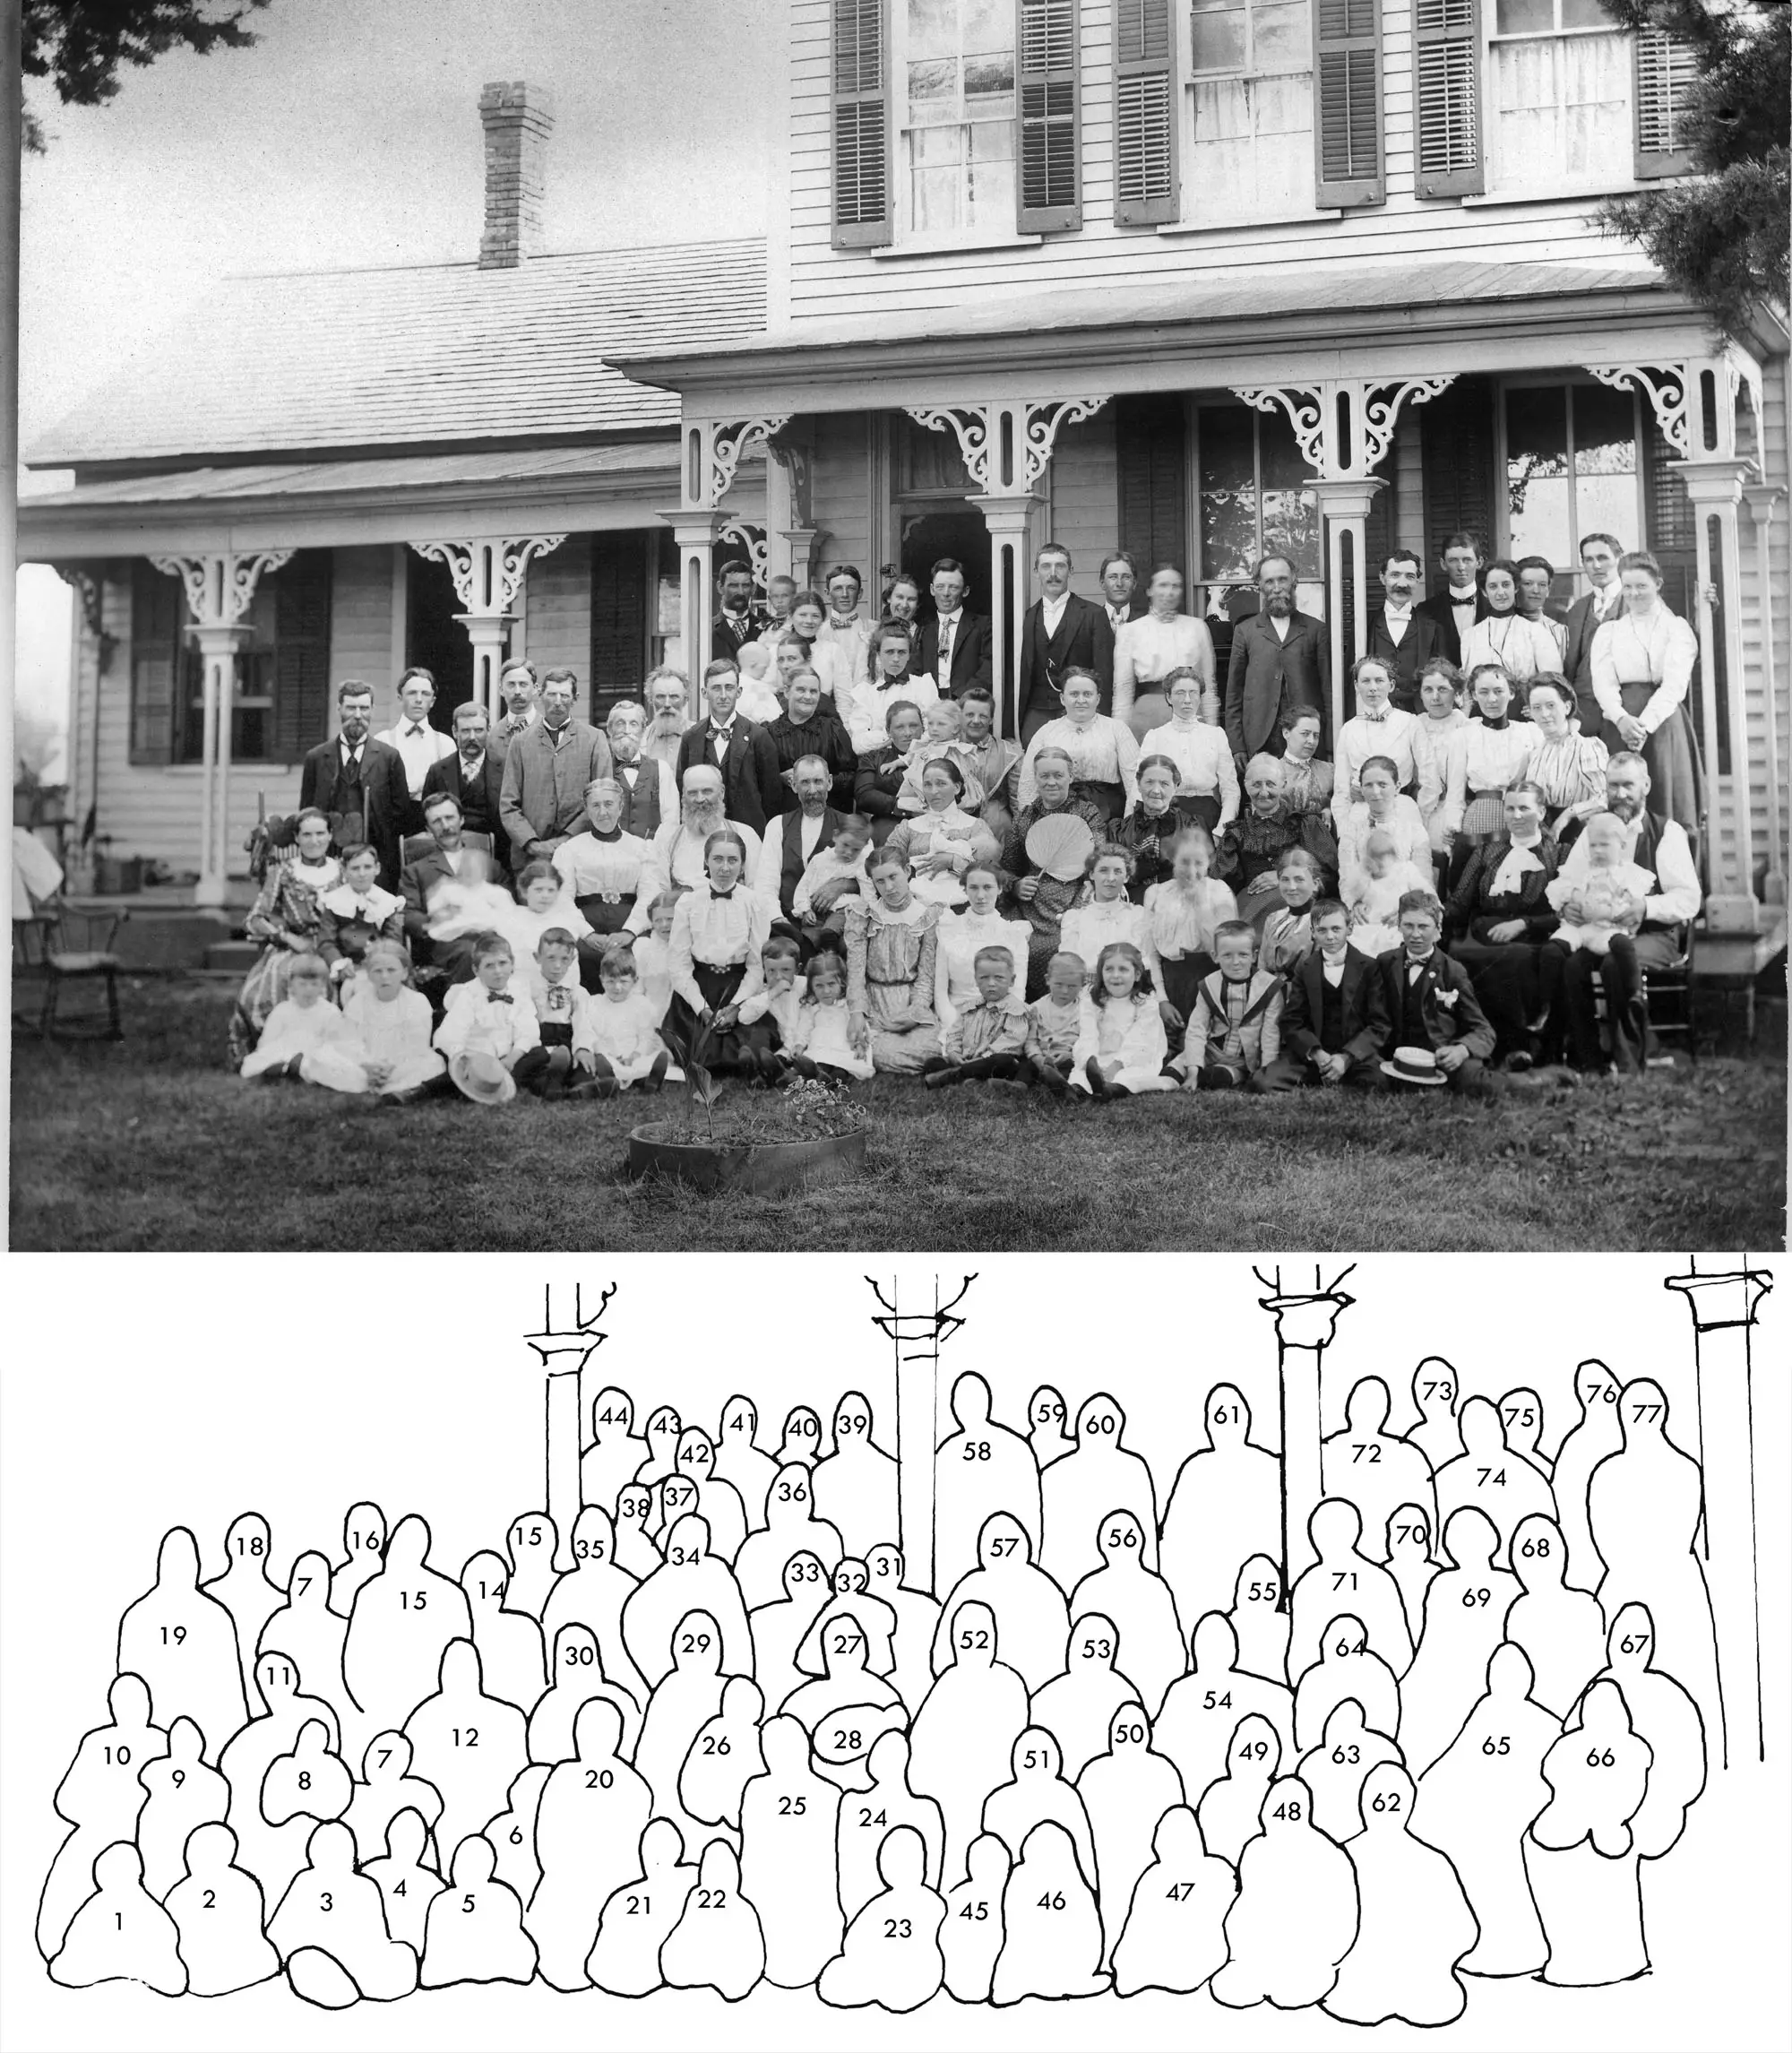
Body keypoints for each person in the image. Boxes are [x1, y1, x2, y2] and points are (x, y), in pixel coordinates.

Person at [1552, 753, 1702, 1073]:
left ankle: (1628, 1059)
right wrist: (1569, 904)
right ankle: (1588, 1058)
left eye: (1628, 785)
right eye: (1614, 785)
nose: (1620, 794)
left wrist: (1646, 906)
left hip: (1654, 934)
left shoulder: (1666, 832)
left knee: (1614, 963)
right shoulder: (1595, 829)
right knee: (1573, 966)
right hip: (1601, 931)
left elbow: (1689, 899)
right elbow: (1568, 879)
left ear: (1645, 785)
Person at [1446, 781, 1564, 1069]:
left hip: (1535, 935)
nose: (1516, 815)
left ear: (1542, 811)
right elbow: (1460, 902)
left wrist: (1524, 923)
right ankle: (1484, 1042)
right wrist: (1432, 911)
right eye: (1510, 808)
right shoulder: (1488, 851)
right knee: (1465, 958)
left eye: (1524, 808)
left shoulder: (1560, 853)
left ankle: (1517, 1045)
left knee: (1515, 959)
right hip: (1487, 933)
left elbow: (1566, 911)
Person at [1589, 549, 1704, 833]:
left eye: (1642, 586)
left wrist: (1644, 726)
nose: (1634, 593)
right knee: (1622, 801)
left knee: (1667, 802)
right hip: (1620, 723)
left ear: (1658, 585)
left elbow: (1675, 685)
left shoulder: (1676, 628)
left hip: (1663, 724)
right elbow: (1603, 683)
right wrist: (1622, 719)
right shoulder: (1609, 632)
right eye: (1627, 586)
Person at [228, 807, 340, 1063]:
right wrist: (287, 938)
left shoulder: (342, 871)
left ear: (330, 836)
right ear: (297, 839)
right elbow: (254, 919)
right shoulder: (283, 871)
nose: (314, 841)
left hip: (333, 945)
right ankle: (281, 1052)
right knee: (278, 976)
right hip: (292, 945)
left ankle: (327, 1050)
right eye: (307, 835)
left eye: (320, 834)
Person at [998, 747, 1107, 997]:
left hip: (1074, 899)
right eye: (1044, 776)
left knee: (1060, 946)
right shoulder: (1025, 817)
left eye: (1058, 775)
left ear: (1071, 776)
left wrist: (1081, 902)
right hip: (1031, 904)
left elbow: (1097, 863)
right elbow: (1009, 868)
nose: (1051, 782)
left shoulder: (1087, 814)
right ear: (1035, 778)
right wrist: (1016, 885)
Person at [665, 828, 774, 1070]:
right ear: (706, 860)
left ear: (743, 864)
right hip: (700, 987)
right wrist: (700, 1007)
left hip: (738, 986)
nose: (725, 868)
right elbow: (679, 963)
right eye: (718, 859)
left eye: (733, 860)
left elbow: (757, 964)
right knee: (699, 1054)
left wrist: (737, 1006)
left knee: (750, 1047)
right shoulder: (689, 902)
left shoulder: (754, 902)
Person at [1254, 900, 1390, 1091]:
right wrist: (1316, 1052)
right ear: (1313, 932)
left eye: (1336, 929)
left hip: (1354, 1056)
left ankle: (1338, 1072)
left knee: (1380, 1082)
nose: (1330, 937)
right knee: (1264, 1082)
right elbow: (1292, 1020)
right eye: (1322, 930)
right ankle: (1324, 1072)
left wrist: (1347, 1057)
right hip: (1315, 1054)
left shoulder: (1368, 967)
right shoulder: (1306, 968)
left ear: (1349, 928)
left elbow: (1379, 1024)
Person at [1375, 891, 1496, 1093]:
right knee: (1374, 1079)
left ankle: (1533, 1080)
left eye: (1423, 926)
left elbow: (1483, 1030)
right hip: (1397, 1057)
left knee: (1475, 1082)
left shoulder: (1453, 971)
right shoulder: (1385, 962)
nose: (1415, 934)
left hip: (1437, 1057)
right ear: (1398, 925)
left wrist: (1461, 1050)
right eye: (1408, 926)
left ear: (1438, 928)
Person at [298, 679, 413, 888]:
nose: (358, 715)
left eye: (364, 708)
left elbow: (401, 815)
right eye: (351, 708)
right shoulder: (316, 758)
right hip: (329, 861)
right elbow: (306, 813)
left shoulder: (389, 758)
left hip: (376, 863)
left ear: (373, 710)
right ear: (339, 708)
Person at [499, 668, 613, 867]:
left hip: (581, 853)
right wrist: (531, 844)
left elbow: (602, 797)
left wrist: (565, 841)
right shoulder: (520, 742)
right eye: (552, 694)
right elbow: (508, 804)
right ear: (541, 695)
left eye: (564, 695)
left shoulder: (594, 739)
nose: (558, 701)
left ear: (575, 699)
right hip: (530, 858)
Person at [844, 847, 943, 1074]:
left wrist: (915, 1012)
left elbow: (926, 975)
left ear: (907, 871)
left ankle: (927, 1060)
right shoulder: (864, 916)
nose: (888, 888)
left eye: (893, 877)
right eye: (880, 881)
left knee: (936, 1043)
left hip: (910, 1001)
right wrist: (857, 1012)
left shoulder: (926, 916)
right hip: (875, 1002)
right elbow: (856, 972)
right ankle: (887, 1056)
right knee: (870, 1047)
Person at [1441, 665, 1538, 890]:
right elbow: (1455, 792)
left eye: (1499, 691)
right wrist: (1453, 828)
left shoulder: (1529, 733)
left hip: (1517, 818)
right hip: (1478, 820)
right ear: (1474, 695)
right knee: (1470, 886)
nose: (1491, 699)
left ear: (1512, 693)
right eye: (1483, 692)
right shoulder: (1464, 735)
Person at [1224, 554, 1330, 763]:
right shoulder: (1245, 631)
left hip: (1307, 738)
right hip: (1260, 738)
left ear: (1294, 581)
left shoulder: (1316, 630)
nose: (1277, 586)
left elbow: (1328, 690)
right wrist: (1236, 745)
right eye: (1269, 581)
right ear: (1259, 586)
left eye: (1282, 579)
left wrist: (1331, 741)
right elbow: (1234, 693)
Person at [1216, 756, 1339, 926]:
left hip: (1300, 908)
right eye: (1256, 784)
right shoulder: (1236, 834)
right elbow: (1223, 886)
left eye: (1271, 784)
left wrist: (1284, 877)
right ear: (1245, 785)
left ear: (1284, 785)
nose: (1264, 792)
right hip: (1251, 908)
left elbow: (1329, 875)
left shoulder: (1306, 825)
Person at [1142, 824, 1237, 1040]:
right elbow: (1151, 953)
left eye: (1199, 863)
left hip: (1210, 981)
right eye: (1184, 862)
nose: (1192, 871)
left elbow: (1224, 951)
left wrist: (1200, 904)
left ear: (1209, 862)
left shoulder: (1219, 891)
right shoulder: (1156, 894)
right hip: (1170, 983)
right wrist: (1161, 1000)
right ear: (1173, 859)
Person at [1016, 666, 1141, 823]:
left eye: (1087, 694)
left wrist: (1130, 824)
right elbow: (1028, 783)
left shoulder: (1117, 729)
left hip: (1109, 813)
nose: (1081, 700)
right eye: (1074, 694)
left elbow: (1134, 779)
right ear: (1062, 698)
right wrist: (1030, 825)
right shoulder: (1047, 732)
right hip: (1058, 811)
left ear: (1098, 698)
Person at [636, 763, 767, 912]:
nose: (699, 799)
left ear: (722, 792)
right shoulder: (667, 838)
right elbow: (656, 890)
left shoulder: (745, 834)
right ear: (683, 795)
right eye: (692, 793)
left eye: (707, 791)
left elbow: (758, 890)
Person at [675, 659, 783, 835]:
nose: (723, 695)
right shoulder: (691, 738)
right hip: (703, 834)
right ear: (704, 692)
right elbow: (683, 791)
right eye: (716, 688)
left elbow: (772, 797)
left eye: (729, 687)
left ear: (739, 692)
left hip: (749, 834)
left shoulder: (759, 736)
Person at [1018, 542, 1115, 740]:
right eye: (1046, 566)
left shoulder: (1094, 614)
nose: (1053, 573)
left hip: (1080, 713)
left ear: (1070, 571)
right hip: (1036, 713)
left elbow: (1104, 672)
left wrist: (1102, 723)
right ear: (1036, 572)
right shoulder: (1025, 617)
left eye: (1060, 566)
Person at [434, 931, 546, 1101]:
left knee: (539, 1054)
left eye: (502, 963)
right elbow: (453, 1032)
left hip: (506, 1055)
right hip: (475, 1055)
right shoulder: (468, 994)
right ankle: (439, 1086)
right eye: (489, 966)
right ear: (476, 970)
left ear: (512, 964)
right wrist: (465, 1061)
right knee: (448, 1070)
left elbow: (528, 1030)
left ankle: (501, 1080)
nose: (498, 971)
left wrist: (512, 1058)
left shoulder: (520, 990)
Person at [400, 791, 498, 980]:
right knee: (472, 952)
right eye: (437, 821)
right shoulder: (416, 870)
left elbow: (505, 897)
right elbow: (407, 914)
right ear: (428, 828)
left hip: (488, 934)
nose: (445, 826)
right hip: (447, 942)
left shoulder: (485, 862)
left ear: (461, 820)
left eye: (449, 818)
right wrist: (435, 921)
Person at [1174, 919, 1282, 1091]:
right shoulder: (1210, 984)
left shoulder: (1269, 987)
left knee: (1217, 1078)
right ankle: (1183, 1076)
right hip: (1212, 1051)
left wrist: (1266, 1072)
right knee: (1175, 1069)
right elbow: (1197, 1028)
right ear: (1215, 956)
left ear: (1254, 955)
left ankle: (1212, 1076)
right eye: (1227, 955)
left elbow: (1271, 1034)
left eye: (1243, 955)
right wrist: (1192, 1071)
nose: (1235, 962)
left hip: (1243, 1059)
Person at [1112, 564, 1216, 741]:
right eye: (1163, 585)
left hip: (1189, 711)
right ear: (1150, 590)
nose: (1169, 592)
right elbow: (1123, 691)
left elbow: (1209, 687)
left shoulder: (1197, 627)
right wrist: (1119, 739)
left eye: (1176, 586)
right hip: (1147, 717)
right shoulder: (1130, 631)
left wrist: (1213, 732)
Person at [339, 940, 447, 1101]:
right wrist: (367, 1065)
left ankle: (388, 1086)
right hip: (366, 1064)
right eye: (377, 971)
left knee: (433, 1064)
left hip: (402, 1063)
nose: (384, 977)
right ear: (368, 974)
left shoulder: (417, 1001)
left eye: (391, 970)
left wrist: (390, 1068)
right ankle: (375, 1081)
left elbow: (416, 1046)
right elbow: (350, 1041)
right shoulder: (358, 1002)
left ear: (404, 973)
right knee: (330, 1058)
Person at [885, 759, 998, 910]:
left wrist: (954, 862)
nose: (933, 791)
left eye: (941, 783)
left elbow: (991, 876)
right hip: (915, 905)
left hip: (964, 907)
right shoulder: (908, 827)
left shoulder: (975, 826)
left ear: (957, 787)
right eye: (927, 784)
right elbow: (887, 867)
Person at [552, 778, 653, 942]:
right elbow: (562, 898)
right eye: (596, 805)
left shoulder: (642, 848)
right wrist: (587, 934)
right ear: (587, 810)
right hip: (585, 931)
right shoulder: (569, 850)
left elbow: (650, 894)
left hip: (630, 929)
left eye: (608, 804)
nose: (602, 812)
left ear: (620, 807)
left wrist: (630, 932)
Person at [1069, 941, 1175, 1097]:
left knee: (1126, 1077)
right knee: (1080, 1075)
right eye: (1109, 969)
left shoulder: (1146, 1003)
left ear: (1137, 974)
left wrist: (1119, 1063)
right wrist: (1091, 1061)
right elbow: (1088, 1035)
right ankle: (1075, 1089)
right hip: (1099, 1057)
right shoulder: (1092, 1000)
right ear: (1101, 973)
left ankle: (1110, 1089)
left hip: (1134, 1058)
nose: (1115, 975)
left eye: (1123, 969)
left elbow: (1141, 1040)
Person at [1137, 667, 1238, 830]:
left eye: (1193, 693)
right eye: (1180, 693)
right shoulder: (1155, 737)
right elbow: (1141, 787)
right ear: (1169, 697)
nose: (1187, 699)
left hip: (1208, 817)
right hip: (1165, 817)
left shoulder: (1216, 735)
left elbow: (1230, 789)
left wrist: (1221, 830)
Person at [238, 952, 361, 1085]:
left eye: (314, 984)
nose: (308, 990)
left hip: (316, 1053)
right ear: (291, 986)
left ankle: (298, 1072)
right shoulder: (283, 1010)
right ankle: (284, 1069)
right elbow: (268, 1040)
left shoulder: (329, 1011)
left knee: (330, 1063)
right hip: (285, 1051)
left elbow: (336, 1040)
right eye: (302, 984)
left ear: (322, 987)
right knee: (257, 1062)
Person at [935, 863, 1030, 1026]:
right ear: (965, 890)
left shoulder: (1015, 934)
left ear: (1000, 889)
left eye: (987, 887)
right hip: (956, 1019)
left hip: (1000, 1021)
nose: (980, 895)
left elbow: (1017, 993)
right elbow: (941, 992)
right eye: (973, 888)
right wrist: (954, 1025)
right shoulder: (949, 929)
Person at [576, 943, 676, 1098]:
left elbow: (646, 1035)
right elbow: (589, 1034)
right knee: (603, 1060)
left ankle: (650, 1081)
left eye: (623, 982)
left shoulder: (641, 1004)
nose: (617, 988)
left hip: (634, 1055)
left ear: (635, 980)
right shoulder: (592, 1003)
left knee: (646, 1061)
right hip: (609, 1054)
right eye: (610, 981)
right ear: (601, 979)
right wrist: (606, 1052)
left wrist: (635, 1054)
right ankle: (609, 1076)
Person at [1545, 814, 1653, 957]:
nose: (1598, 850)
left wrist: (1605, 912)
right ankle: (1554, 963)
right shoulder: (1584, 871)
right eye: (1593, 845)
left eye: (1604, 845)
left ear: (1622, 846)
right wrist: (1578, 901)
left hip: (1608, 927)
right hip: (1581, 926)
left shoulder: (1628, 875)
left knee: (1615, 944)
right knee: (1556, 945)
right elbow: (1573, 890)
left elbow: (1628, 905)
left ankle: (1620, 954)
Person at [925, 945, 1030, 1091]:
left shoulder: (1016, 1010)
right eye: (984, 978)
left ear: (1012, 980)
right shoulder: (969, 1007)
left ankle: (956, 1077)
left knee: (1003, 1061)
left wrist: (982, 1059)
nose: (991, 983)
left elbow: (1012, 1042)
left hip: (992, 1061)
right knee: (932, 1063)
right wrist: (954, 1053)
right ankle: (970, 1080)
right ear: (976, 980)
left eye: (999, 978)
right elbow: (955, 1033)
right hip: (966, 1059)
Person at [1521, 675, 1608, 842]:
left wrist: (1567, 816)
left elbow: (1605, 798)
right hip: (1544, 840)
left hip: (1580, 836)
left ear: (1567, 707)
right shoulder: (1536, 754)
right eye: (1537, 708)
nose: (1544, 714)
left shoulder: (1586, 748)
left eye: (1551, 706)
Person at [1332, 656, 1418, 823]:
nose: (1373, 688)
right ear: (1357, 686)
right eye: (1366, 681)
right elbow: (1341, 788)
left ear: (1391, 685)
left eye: (1379, 681)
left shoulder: (1410, 723)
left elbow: (1427, 780)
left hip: (1401, 813)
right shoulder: (1349, 729)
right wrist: (1344, 829)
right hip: (1361, 816)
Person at [771, 755, 850, 931]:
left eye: (818, 781)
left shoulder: (849, 825)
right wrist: (777, 919)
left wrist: (844, 885)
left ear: (829, 782)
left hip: (835, 924)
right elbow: (767, 882)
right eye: (805, 782)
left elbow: (869, 875)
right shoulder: (778, 825)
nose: (812, 790)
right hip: (787, 921)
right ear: (793, 785)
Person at [316, 841, 405, 995]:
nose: (362, 874)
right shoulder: (332, 901)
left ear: (377, 868)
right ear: (344, 871)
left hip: (379, 964)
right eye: (355, 868)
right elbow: (326, 941)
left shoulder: (390, 902)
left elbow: (394, 938)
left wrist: (379, 963)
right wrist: (339, 963)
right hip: (345, 964)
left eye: (367, 867)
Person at [421, 700, 507, 857]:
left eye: (479, 730)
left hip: (496, 856)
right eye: (466, 731)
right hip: (448, 853)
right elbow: (427, 818)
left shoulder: (506, 768)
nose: (472, 737)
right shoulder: (438, 771)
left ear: (488, 730)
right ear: (455, 731)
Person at [1561, 531, 1626, 731]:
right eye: (1589, 559)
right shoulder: (1577, 610)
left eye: (1603, 558)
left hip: (1625, 711)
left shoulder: (1637, 601)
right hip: (1584, 714)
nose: (1596, 566)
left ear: (1619, 559)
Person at [766, 669, 857, 814]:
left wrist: (822, 780)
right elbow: (761, 780)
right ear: (787, 691)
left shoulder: (833, 729)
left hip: (830, 815)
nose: (808, 697)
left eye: (813, 691)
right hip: (786, 817)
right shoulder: (769, 733)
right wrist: (780, 778)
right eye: (801, 690)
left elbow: (852, 776)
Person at [779, 947, 875, 1082]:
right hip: (821, 1048)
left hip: (843, 1048)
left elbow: (860, 1027)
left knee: (841, 1069)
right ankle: (813, 1076)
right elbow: (804, 1028)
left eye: (831, 984)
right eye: (819, 986)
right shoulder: (812, 1007)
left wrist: (860, 1044)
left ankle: (832, 1079)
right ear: (811, 986)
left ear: (841, 983)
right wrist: (799, 1044)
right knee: (819, 1063)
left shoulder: (848, 1006)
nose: (826, 991)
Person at [1365, 550, 1443, 711]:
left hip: (1420, 719)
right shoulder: (1364, 625)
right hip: (1374, 716)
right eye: (1395, 575)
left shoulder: (1433, 628)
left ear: (1418, 581)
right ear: (1382, 578)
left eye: (1410, 576)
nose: (1402, 584)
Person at [525, 924, 598, 1099]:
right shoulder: (529, 988)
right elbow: (525, 1021)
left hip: (567, 1040)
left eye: (564, 959)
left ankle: (582, 1087)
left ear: (572, 960)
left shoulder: (577, 991)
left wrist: (582, 1048)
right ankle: (552, 1081)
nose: (557, 966)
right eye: (551, 958)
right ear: (537, 957)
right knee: (538, 1068)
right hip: (541, 1040)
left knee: (582, 1068)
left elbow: (583, 1023)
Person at [1460, 560, 1561, 685]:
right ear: (1484, 592)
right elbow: (1468, 685)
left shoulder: (1536, 632)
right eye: (1493, 586)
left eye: (1506, 585)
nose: (1501, 592)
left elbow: (1552, 683)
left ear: (1516, 588)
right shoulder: (1471, 636)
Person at [1115, 754, 1200, 898]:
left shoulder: (1190, 826)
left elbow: (1200, 874)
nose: (1156, 790)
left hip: (1179, 901)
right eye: (1149, 782)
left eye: (1164, 784)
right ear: (1138, 783)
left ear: (1176, 787)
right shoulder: (1119, 830)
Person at [1060, 843, 1147, 978]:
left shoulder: (1137, 916)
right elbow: (1068, 965)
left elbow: (1144, 962)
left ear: (1127, 877)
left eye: (1118, 871)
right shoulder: (1075, 919)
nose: (1110, 878)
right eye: (1103, 870)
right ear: (1092, 874)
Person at [1412, 660, 1470, 860]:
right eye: (1428, 689)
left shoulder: (1466, 727)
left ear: (1457, 693)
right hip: (1418, 808)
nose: (1435, 697)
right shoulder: (1413, 725)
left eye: (1443, 689)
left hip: (1451, 807)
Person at [851, 623, 937, 755]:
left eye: (902, 652)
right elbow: (858, 744)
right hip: (879, 762)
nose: (896, 659)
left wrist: (879, 734)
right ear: (879, 654)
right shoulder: (867, 693)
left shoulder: (924, 686)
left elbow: (934, 732)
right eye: (889, 652)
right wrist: (894, 736)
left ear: (909, 655)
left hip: (919, 759)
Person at [1347, 827, 1434, 956]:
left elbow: (1427, 896)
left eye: (1383, 856)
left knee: (1395, 943)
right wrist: (1363, 873)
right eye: (1373, 856)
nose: (1377, 862)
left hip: (1396, 924)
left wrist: (1407, 911)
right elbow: (1350, 894)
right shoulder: (1363, 874)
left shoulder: (1406, 870)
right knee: (1356, 942)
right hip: (1368, 924)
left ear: (1394, 856)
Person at [915, 557, 993, 694]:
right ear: (932, 590)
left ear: (965, 591)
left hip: (967, 703)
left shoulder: (983, 626)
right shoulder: (924, 629)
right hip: (930, 705)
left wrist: (961, 699)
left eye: (953, 587)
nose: (946, 593)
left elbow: (988, 670)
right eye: (940, 587)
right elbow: (915, 670)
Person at [377, 667, 456, 800]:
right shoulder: (382, 741)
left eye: (425, 694)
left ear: (432, 701)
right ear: (399, 698)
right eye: (412, 693)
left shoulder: (445, 744)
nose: (418, 699)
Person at [1415, 531, 1489, 671]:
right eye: (1453, 560)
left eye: (1467, 560)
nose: (1461, 567)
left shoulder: (1495, 609)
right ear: (1443, 564)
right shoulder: (1426, 610)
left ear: (1479, 562)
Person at [604, 700, 678, 840]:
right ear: (609, 729)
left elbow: (671, 821)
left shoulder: (661, 770)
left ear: (643, 730)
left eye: (633, 724)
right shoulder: (601, 769)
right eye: (620, 723)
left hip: (652, 855)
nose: (626, 730)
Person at [855, 700, 925, 843]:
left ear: (923, 728)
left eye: (914, 726)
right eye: (900, 727)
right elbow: (864, 795)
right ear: (888, 731)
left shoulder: (935, 754)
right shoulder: (873, 758)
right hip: (887, 823)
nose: (908, 733)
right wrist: (902, 805)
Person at [957, 686, 1021, 837]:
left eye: (983, 716)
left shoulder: (1009, 753)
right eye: (970, 715)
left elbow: (1017, 803)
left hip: (996, 826)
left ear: (992, 719)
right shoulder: (945, 747)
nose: (976, 721)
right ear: (960, 716)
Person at [1022, 950, 1085, 1091]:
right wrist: (1038, 1058)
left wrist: (1072, 1056)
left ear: (1082, 984)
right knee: (1027, 1066)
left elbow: (1087, 1041)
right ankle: (1020, 1085)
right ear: (1047, 979)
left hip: (1069, 1057)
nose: (1064, 991)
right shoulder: (1036, 1008)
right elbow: (1030, 1040)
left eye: (1072, 986)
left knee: (1078, 1067)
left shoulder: (1085, 1010)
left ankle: (1061, 1085)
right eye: (1059, 984)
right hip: (1042, 1057)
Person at [1259, 845, 1324, 971]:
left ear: (1315, 884)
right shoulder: (1272, 919)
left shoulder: (1322, 922)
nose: (1291, 887)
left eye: (1299, 880)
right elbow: (1262, 968)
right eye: (1285, 880)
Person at [1276, 705, 1335, 819]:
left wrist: (1329, 809)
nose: (1311, 741)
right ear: (1286, 733)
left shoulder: (1330, 770)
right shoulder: (1272, 771)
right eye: (1305, 734)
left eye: (1316, 736)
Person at [820, 563, 873, 678]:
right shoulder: (819, 632)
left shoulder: (873, 629)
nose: (845, 594)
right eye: (838, 588)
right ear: (827, 594)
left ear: (860, 594)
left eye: (851, 588)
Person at [1515, 556, 1569, 660]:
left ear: (1548, 590)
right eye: (1528, 584)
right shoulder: (1502, 628)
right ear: (1516, 587)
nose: (1536, 590)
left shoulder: (1560, 632)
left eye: (1542, 585)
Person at [712, 562, 766, 661]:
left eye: (745, 586)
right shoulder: (706, 630)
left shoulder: (766, 629)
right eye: (733, 586)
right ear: (720, 587)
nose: (740, 592)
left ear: (753, 588)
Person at [642, 669, 693, 770]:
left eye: (674, 697)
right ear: (650, 699)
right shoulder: (642, 740)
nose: (667, 704)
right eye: (660, 697)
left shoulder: (699, 736)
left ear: (685, 700)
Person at [1098, 550, 1147, 638]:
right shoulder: (1090, 621)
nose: (1119, 584)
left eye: (1126, 577)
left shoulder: (1146, 622)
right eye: (1113, 577)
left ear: (1134, 583)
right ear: (1102, 583)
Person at [493, 659, 540, 749]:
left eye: (523, 684)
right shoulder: (492, 736)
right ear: (501, 689)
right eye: (511, 684)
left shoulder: (550, 731)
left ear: (535, 688)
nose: (517, 691)